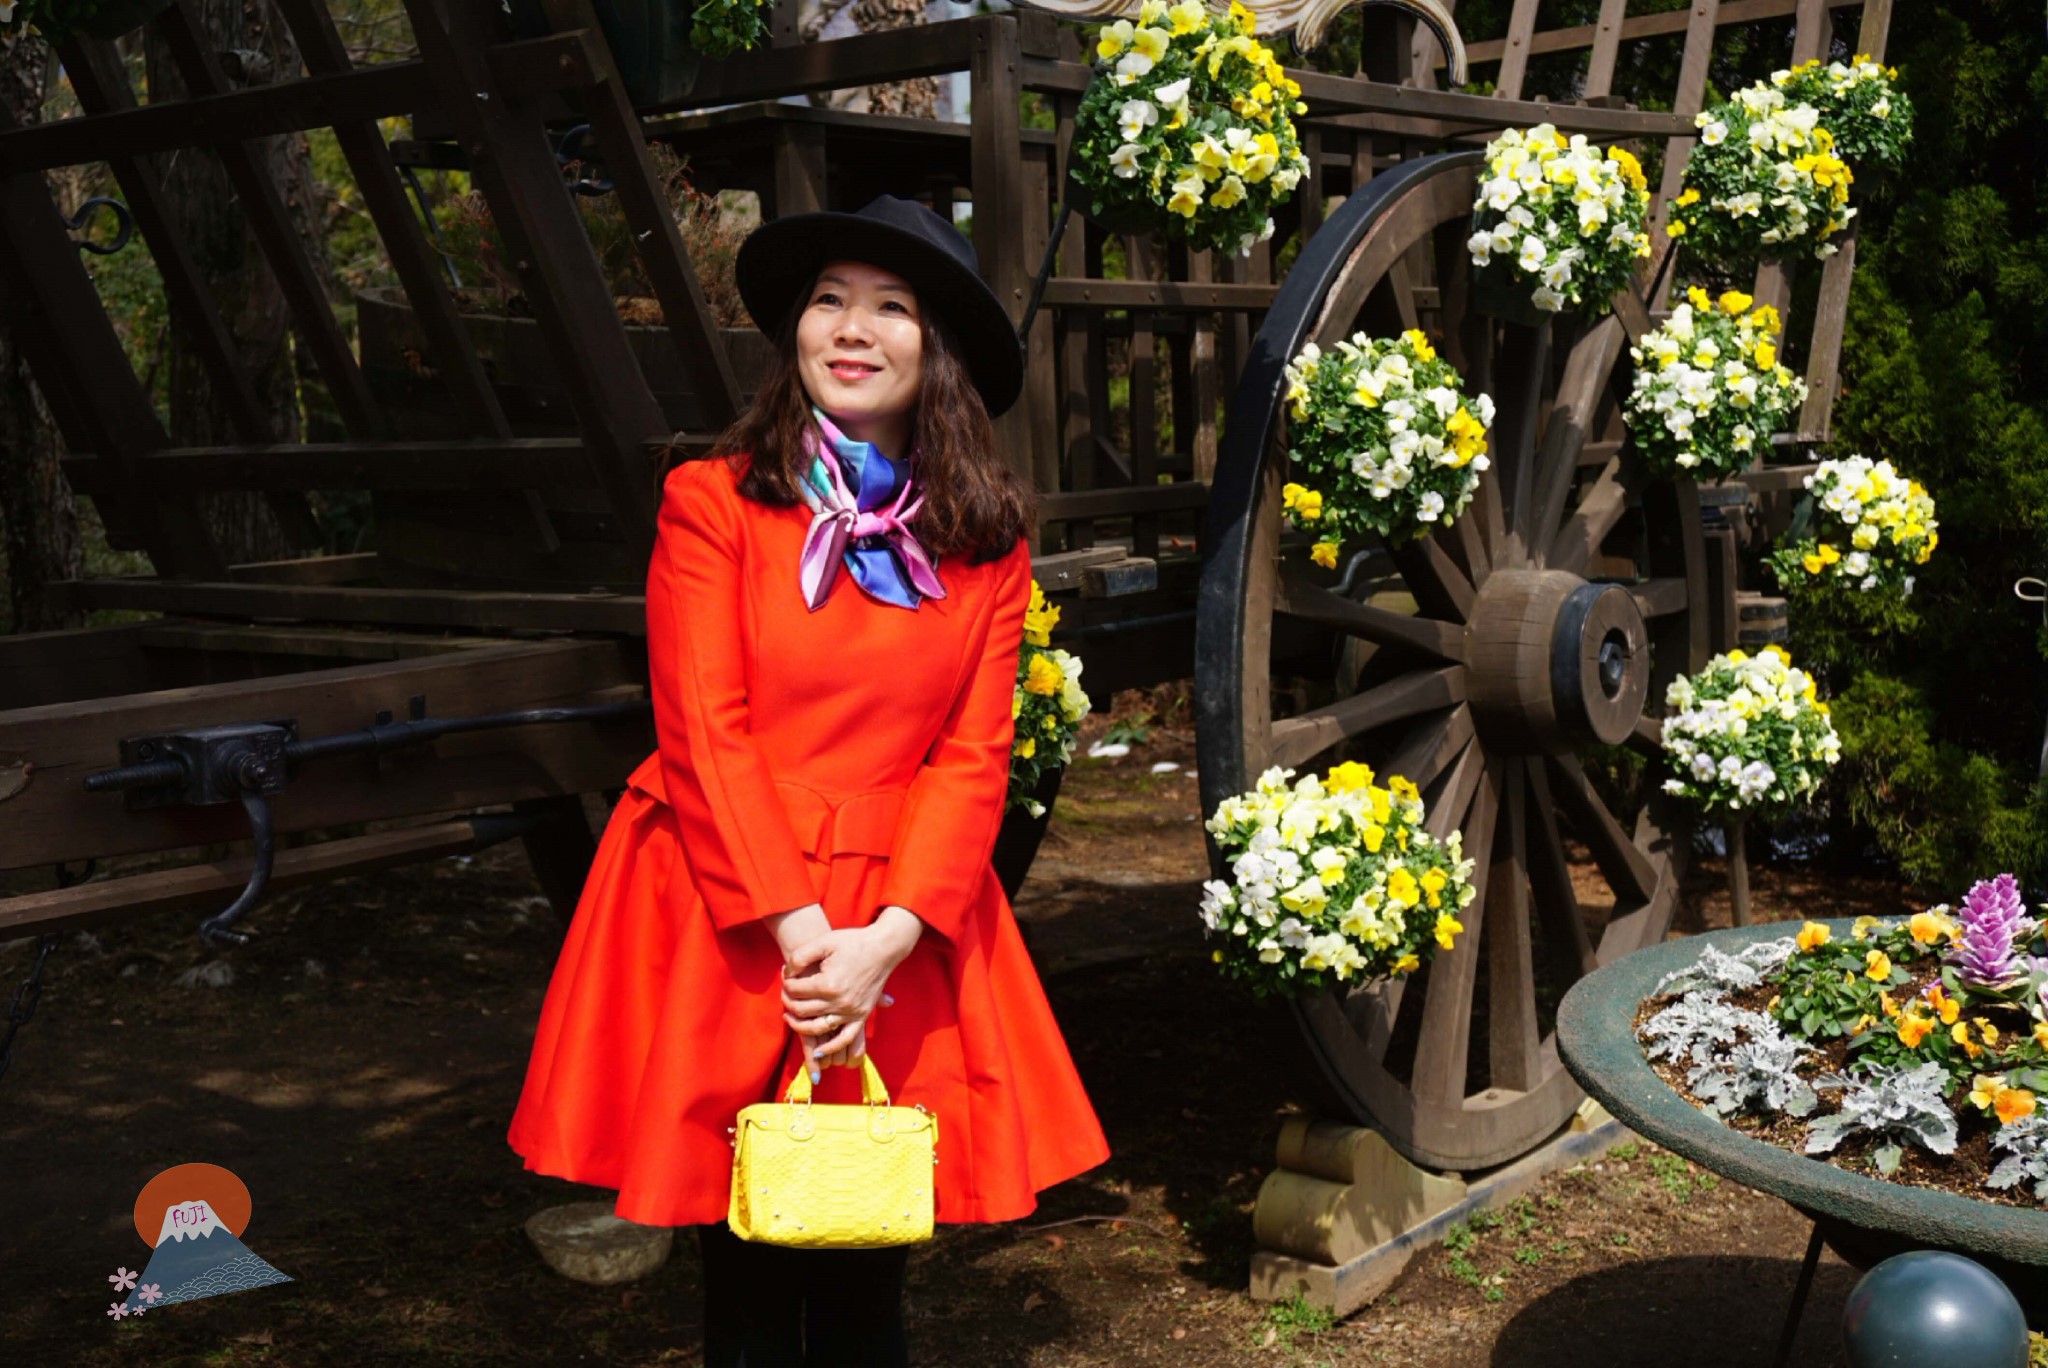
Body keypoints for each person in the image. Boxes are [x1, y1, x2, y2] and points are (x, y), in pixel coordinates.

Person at [507, 195, 1110, 1366]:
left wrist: (887, 937)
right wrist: (798, 933)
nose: (851, 327)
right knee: (744, 1244)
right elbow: (703, 727)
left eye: (890, 307)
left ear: (932, 351)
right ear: (794, 332)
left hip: (897, 907)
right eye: (828, 300)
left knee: (863, 1226)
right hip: (730, 901)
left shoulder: (984, 539)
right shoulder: (714, 504)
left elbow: (973, 752)